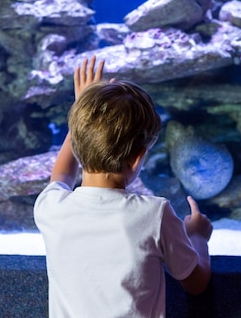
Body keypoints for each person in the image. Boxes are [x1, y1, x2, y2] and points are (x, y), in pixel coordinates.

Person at [34, 56, 213, 318]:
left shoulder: (51, 208)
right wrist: (197, 236)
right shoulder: (155, 214)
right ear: (138, 157)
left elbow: (61, 174)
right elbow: (196, 283)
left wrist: (82, 111)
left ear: (76, 137)